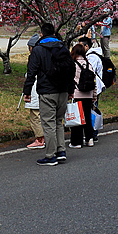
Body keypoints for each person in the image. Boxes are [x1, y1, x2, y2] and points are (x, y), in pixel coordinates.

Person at [23, 23, 73, 166]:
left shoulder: (38, 50)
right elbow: (70, 69)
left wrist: (27, 91)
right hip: (63, 90)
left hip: (47, 91)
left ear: (42, 34)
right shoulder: (63, 47)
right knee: (58, 121)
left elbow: (31, 72)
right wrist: (70, 90)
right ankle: (61, 151)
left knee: (48, 123)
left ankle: (51, 155)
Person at [69, 42, 103, 148]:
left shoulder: (73, 65)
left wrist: (69, 93)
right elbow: (94, 82)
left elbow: (70, 80)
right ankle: (90, 139)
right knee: (88, 118)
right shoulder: (89, 64)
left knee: (77, 119)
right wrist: (94, 96)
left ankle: (76, 142)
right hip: (88, 95)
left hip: (77, 95)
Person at [80, 36, 105, 144]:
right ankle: (90, 133)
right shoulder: (89, 56)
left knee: (92, 110)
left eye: (81, 46)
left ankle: (93, 133)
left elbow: (89, 73)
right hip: (91, 86)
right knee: (90, 110)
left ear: (86, 46)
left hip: (93, 87)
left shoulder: (92, 57)